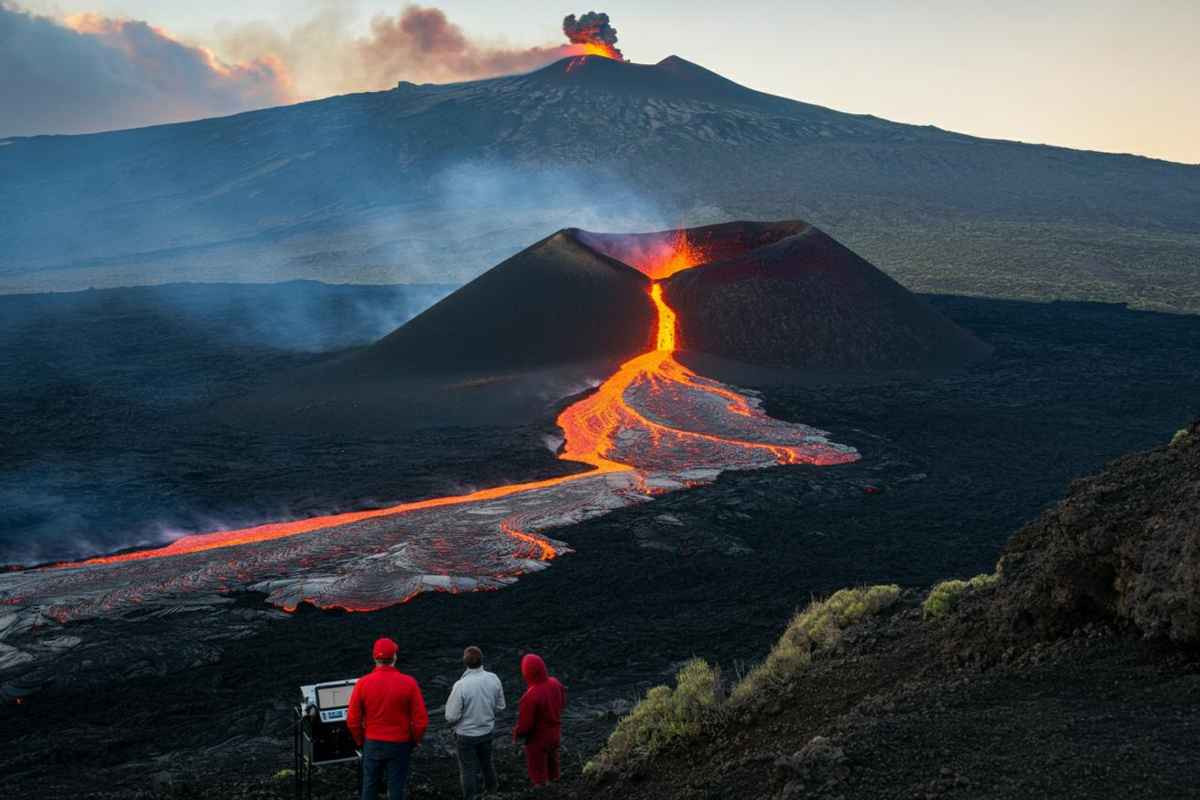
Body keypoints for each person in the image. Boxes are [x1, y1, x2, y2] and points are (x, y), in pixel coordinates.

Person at [346, 637, 429, 800]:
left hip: (372, 743)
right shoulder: (409, 683)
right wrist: (414, 741)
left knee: (369, 785)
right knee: (396, 787)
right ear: (395, 657)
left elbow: (353, 720)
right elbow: (421, 720)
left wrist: (360, 741)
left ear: (374, 657)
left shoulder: (362, 684)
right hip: (400, 744)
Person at [445, 646, 506, 799]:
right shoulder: (493, 679)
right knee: (487, 763)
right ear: (482, 660)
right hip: (486, 731)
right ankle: (492, 791)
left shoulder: (461, 685)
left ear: (465, 662)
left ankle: (470, 797)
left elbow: (451, 716)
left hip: (466, 735)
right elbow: (501, 706)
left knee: (467, 769)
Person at [512, 653, 567, 787]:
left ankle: (542, 790)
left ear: (526, 673)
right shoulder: (555, 682)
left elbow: (526, 726)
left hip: (538, 741)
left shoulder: (529, 697)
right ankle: (557, 788)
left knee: (538, 774)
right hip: (555, 734)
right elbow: (563, 702)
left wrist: (516, 734)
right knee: (553, 767)